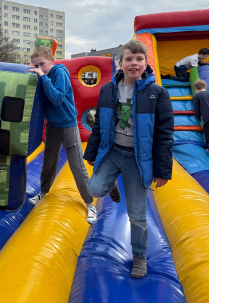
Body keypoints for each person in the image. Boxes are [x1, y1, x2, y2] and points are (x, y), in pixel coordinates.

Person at [83, 39, 174, 278]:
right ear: (120, 63)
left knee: (137, 214)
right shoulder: (108, 90)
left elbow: (164, 134)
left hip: (137, 159)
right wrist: (92, 153)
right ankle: (111, 181)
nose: (134, 63)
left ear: (146, 63)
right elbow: (99, 125)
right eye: (129, 59)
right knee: (93, 188)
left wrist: (162, 170)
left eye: (139, 59)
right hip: (113, 152)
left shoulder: (157, 93)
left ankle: (139, 256)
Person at [27, 46, 98, 224]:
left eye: (42, 64)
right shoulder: (42, 76)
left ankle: (90, 204)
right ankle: (43, 192)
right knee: (48, 163)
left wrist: (43, 77)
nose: (39, 68)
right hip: (53, 126)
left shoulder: (59, 73)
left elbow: (57, 98)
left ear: (52, 60)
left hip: (68, 125)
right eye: (36, 65)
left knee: (77, 166)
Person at [192, 79, 209, 148]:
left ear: (195, 88)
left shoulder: (197, 96)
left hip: (207, 119)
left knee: (208, 133)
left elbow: (197, 110)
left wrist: (199, 118)